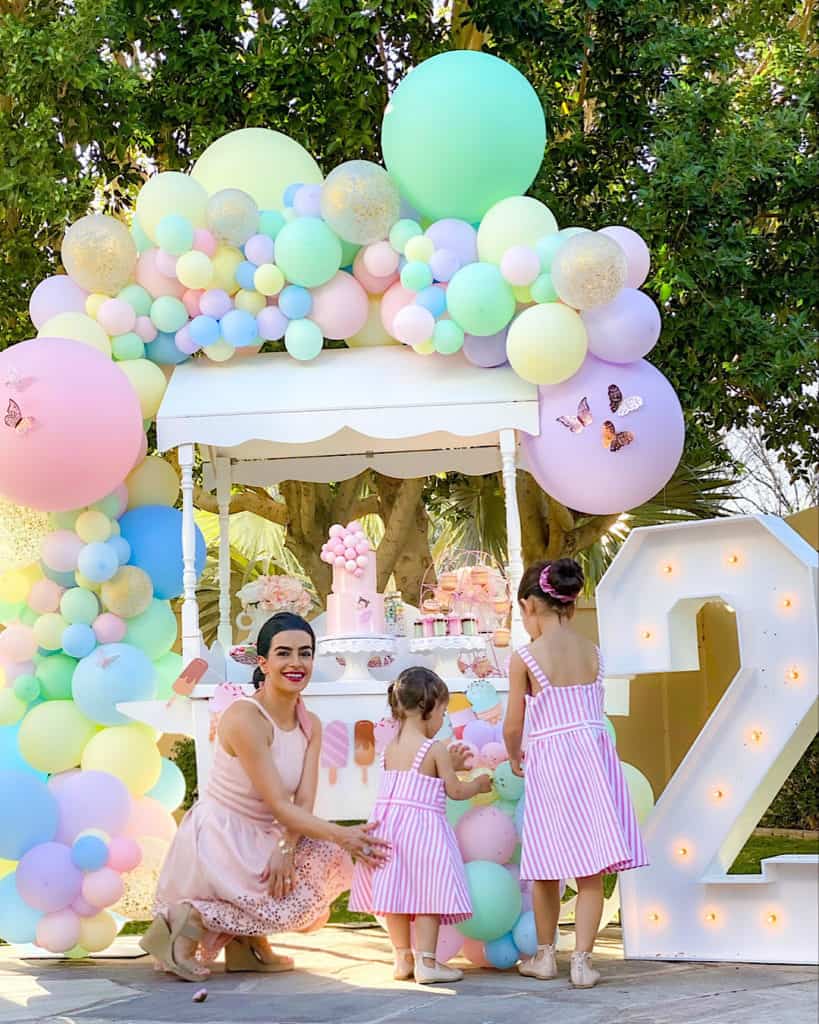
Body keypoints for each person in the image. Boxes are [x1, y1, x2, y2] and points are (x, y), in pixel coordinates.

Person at [144, 612, 389, 982]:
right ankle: (185, 919)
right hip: (223, 837)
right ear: (263, 662)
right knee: (329, 850)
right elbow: (278, 803)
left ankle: (247, 946)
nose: (296, 663)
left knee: (325, 860)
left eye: (305, 654)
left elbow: (303, 801)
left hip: (269, 830)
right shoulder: (246, 717)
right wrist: (344, 834)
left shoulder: (310, 723)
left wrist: (287, 846)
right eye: (284, 653)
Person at [503, 559, 648, 989]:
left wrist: (515, 754)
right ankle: (583, 962)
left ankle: (546, 956)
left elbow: (513, 723)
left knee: (548, 866)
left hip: (551, 762)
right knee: (591, 870)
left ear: (529, 605)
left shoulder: (526, 657)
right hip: (594, 762)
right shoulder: (593, 653)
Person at [349, 667, 492, 985]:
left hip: (389, 828)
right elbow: (454, 791)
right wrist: (479, 784)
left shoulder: (390, 748)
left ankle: (402, 957)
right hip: (423, 832)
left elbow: (417, 778)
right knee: (428, 894)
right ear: (429, 709)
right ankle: (428, 961)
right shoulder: (435, 747)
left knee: (397, 898)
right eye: (443, 712)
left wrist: (448, 766)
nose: (443, 720)